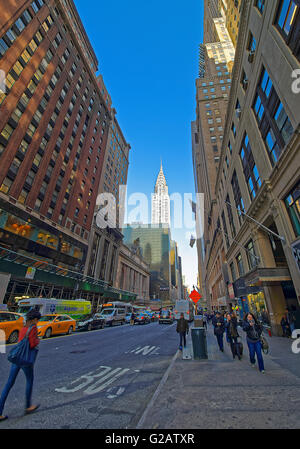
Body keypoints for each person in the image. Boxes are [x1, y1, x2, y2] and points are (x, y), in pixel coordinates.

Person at [0, 309, 41, 422]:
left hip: (17, 358)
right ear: (34, 319)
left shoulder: (23, 327)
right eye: (37, 320)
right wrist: (37, 340)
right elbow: (32, 344)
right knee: (29, 381)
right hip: (25, 360)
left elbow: (20, 341)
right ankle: (28, 406)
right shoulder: (33, 328)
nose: (37, 322)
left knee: (9, 384)